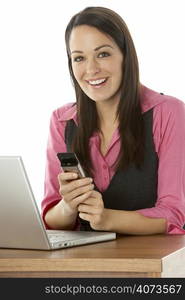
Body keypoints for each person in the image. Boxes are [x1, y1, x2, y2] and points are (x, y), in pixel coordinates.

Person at [41, 6, 185, 235]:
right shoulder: (62, 121)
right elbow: (50, 218)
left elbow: (173, 215)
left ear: (125, 56)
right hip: (83, 263)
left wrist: (107, 218)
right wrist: (68, 206)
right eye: (79, 58)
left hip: (150, 264)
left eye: (103, 54)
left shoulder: (168, 112)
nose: (91, 69)